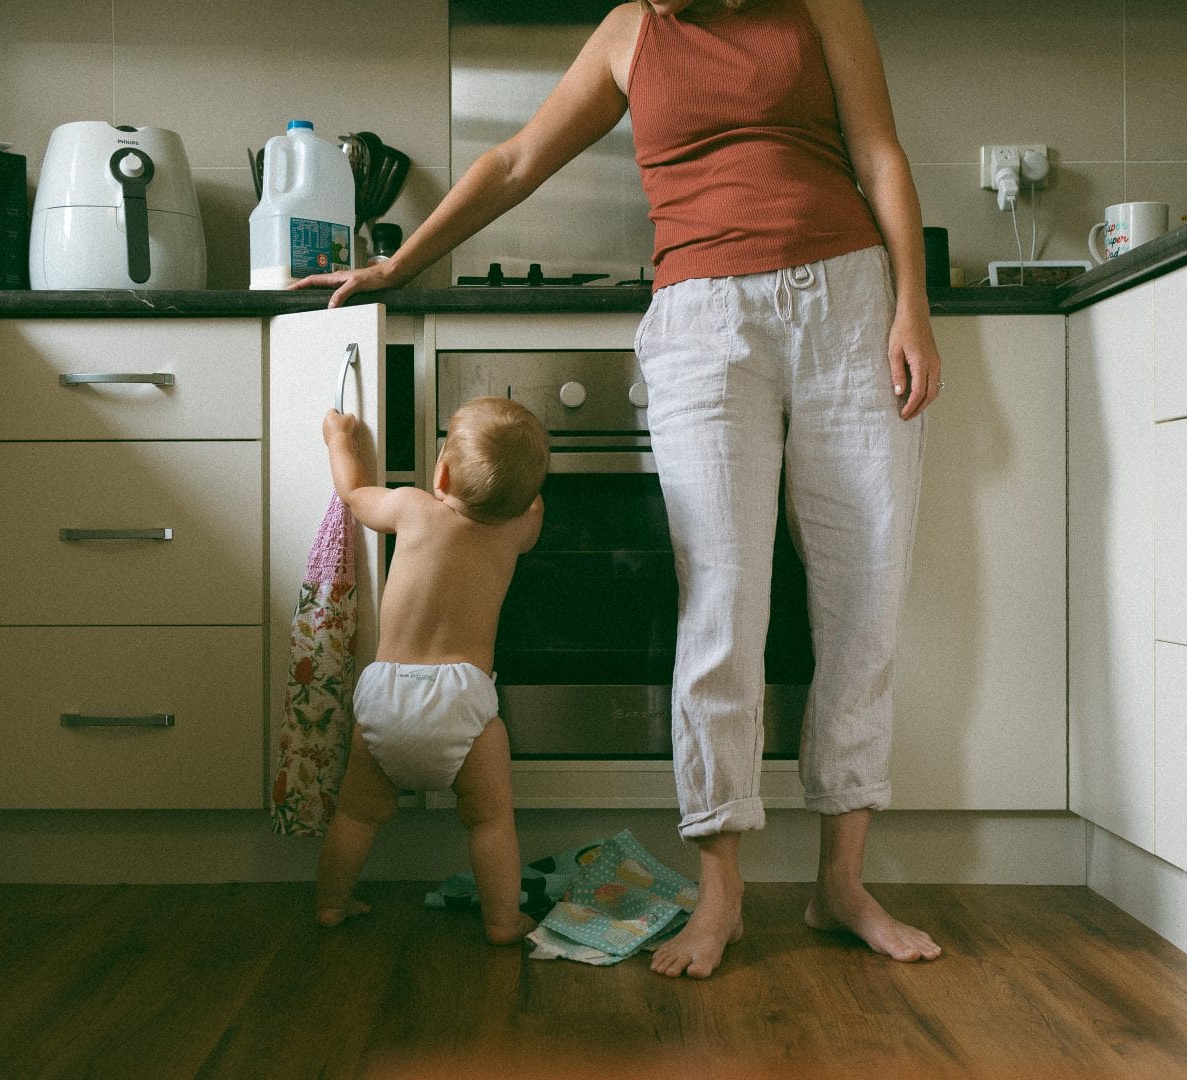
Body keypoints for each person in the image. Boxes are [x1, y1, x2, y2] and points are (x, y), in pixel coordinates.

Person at [297, 0, 944, 977]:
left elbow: (880, 153)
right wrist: (399, 261)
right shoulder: (630, 34)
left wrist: (912, 305)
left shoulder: (823, 6)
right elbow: (515, 161)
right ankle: (720, 894)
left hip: (846, 303)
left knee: (864, 595)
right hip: (701, 320)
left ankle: (840, 884)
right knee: (721, 604)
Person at [314, 397, 548, 947]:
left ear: (440, 472)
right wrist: (524, 497)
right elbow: (529, 513)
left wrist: (339, 440)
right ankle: (502, 920)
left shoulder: (411, 508)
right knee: (490, 819)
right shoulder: (515, 530)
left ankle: (331, 903)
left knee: (356, 813)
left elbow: (353, 495)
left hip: (387, 692)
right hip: (462, 698)